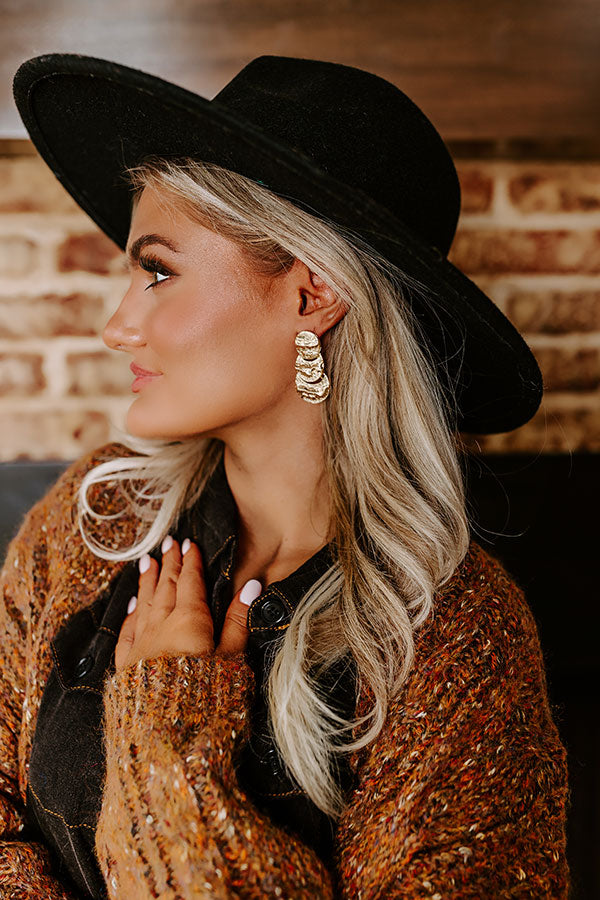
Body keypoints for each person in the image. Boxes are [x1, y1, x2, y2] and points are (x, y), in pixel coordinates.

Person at [1, 53, 570, 899]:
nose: (118, 327)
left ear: (312, 298)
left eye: (158, 272)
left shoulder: (458, 639)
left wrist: (170, 738)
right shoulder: (102, 513)